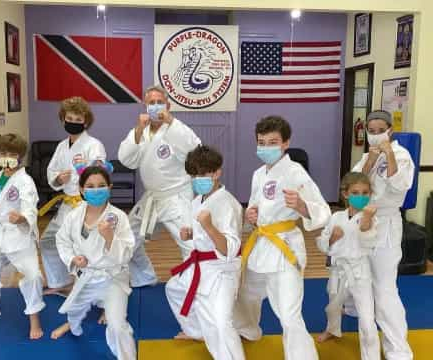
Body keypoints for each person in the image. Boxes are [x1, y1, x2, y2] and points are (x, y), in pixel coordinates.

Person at [233, 115, 331, 360]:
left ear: (286, 143)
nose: (266, 147)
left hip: (284, 246)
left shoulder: (295, 172)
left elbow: (323, 211)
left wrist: (301, 206)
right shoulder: (258, 174)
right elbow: (256, 206)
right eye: (262, 142)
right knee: (245, 293)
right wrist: (251, 215)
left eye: (273, 141)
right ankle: (248, 330)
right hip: (260, 243)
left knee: (288, 314)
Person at [165, 145, 245, 360]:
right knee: (173, 288)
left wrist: (209, 227)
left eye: (203, 174)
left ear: (217, 172)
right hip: (200, 264)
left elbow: (230, 249)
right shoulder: (197, 201)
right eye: (194, 175)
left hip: (222, 270)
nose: (197, 179)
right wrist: (191, 234)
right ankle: (197, 332)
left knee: (220, 323)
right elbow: (202, 234)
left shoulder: (228, 204)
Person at [118, 85, 201, 287]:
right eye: (151, 103)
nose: (155, 106)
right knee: (126, 240)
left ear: (168, 105)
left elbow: (195, 149)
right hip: (152, 199)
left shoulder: (176, 128)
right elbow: (127, 160)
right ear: (145, 106)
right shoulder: (141, 132)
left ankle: (197, 287)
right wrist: (138, 129)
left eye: (159, 102)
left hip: (177, 196)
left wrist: (170, 121)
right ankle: (145, 276)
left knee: (191, 245)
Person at [51, 165, 136, 360]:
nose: (96, 189)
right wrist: (73, 258)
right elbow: (62, 240)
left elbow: (127, 253)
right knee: (73, 311)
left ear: (109, 187)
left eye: (101, 185)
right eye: (90, 186)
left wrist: (109, 238)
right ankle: (71, 324)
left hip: (112, 277)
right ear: (81, 189)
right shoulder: (74, 216)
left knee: (117, 325)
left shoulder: (118, 217)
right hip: (86, 276)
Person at [347, 110, 414, 360]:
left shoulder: (402, 155)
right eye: (371, 132)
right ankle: (369, 348)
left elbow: (400, 186)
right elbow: (353, 186)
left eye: (379, 131)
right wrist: (370, 161)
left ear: (390, 131)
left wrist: (387, 154)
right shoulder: (366, 156)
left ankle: (398, 350)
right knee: (360, 283)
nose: (375, 136)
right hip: (361, 221)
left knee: (385, 288)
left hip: (385, 223)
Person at [0, 134, 45, 339]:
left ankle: (34, 318)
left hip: (18, 238)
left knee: (33, 276)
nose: (7, 157)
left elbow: (30, 208)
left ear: (20, 157)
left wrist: (22, 218)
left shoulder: (25, 181)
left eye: (12, 154)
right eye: (3, 153)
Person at [39, 97, 107, 295]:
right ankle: (59, 281)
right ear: (63, 120)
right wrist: (59, 179)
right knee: (49, 241)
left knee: (84, 248)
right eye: (69, 118)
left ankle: (92, 290)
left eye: (78, 119)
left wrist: (85, 171)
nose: (73, 122)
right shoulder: (61, 146)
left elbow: (99, 174)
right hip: (67, 204)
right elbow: (51, 172)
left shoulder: (94, 145)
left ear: (85, 122)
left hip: (86, 205)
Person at [316, 172, 380, 360]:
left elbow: (369, 242)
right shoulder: (336, 217)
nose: (361, 196)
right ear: (345, 194)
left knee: (368, 322)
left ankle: (371, 356)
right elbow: (321, 243)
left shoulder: (372, 218)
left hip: (360, 273)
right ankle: (333, 330)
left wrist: (367, 220)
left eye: (365, 192)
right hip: (339, 272)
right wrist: (332, 238)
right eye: (356, 192)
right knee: (333, 307)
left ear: (370, 194)